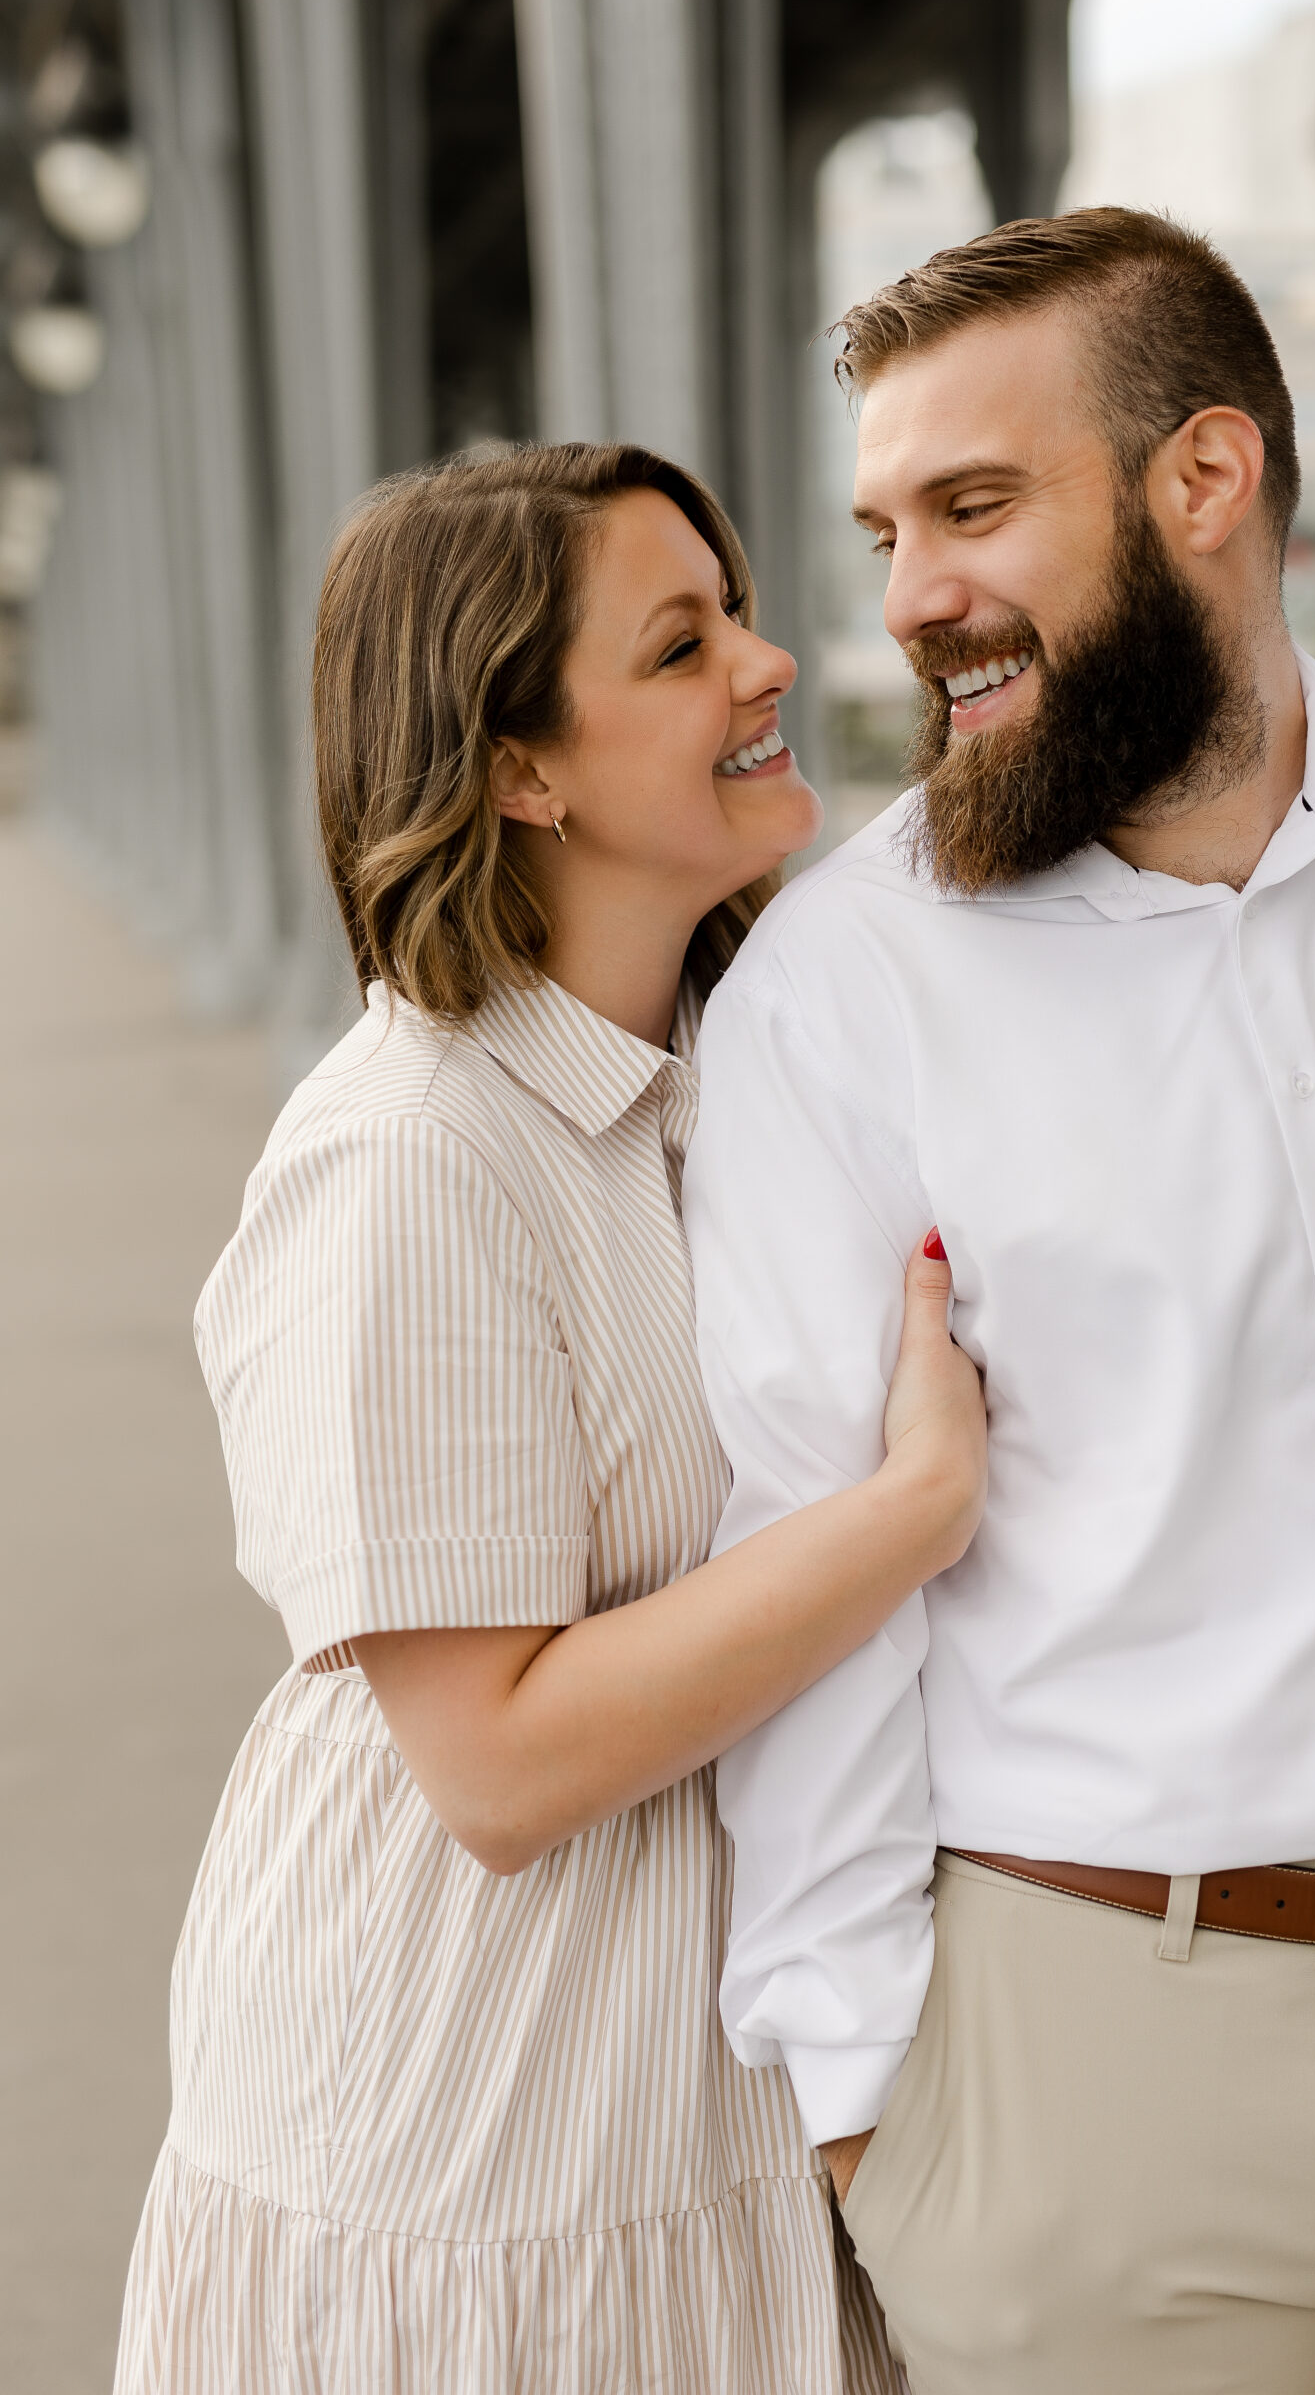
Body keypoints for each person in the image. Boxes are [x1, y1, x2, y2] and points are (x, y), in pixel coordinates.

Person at [683, 208, 1315, 2391]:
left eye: (973, 506)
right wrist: (871, 2114)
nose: (907, 597)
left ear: (1203, 481)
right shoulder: (843, 993)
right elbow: (807, 1570)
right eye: (883, 526)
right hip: (1086, 2075)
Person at [114, 440, 986, 2394]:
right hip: (486, 2136)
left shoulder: (743, 1081)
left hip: (736, 2102)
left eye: (738, 611)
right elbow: (491, 1758)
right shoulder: (408, 1158)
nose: (765, 665)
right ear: (520, 765)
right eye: (681, 645)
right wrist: (910, 1504)